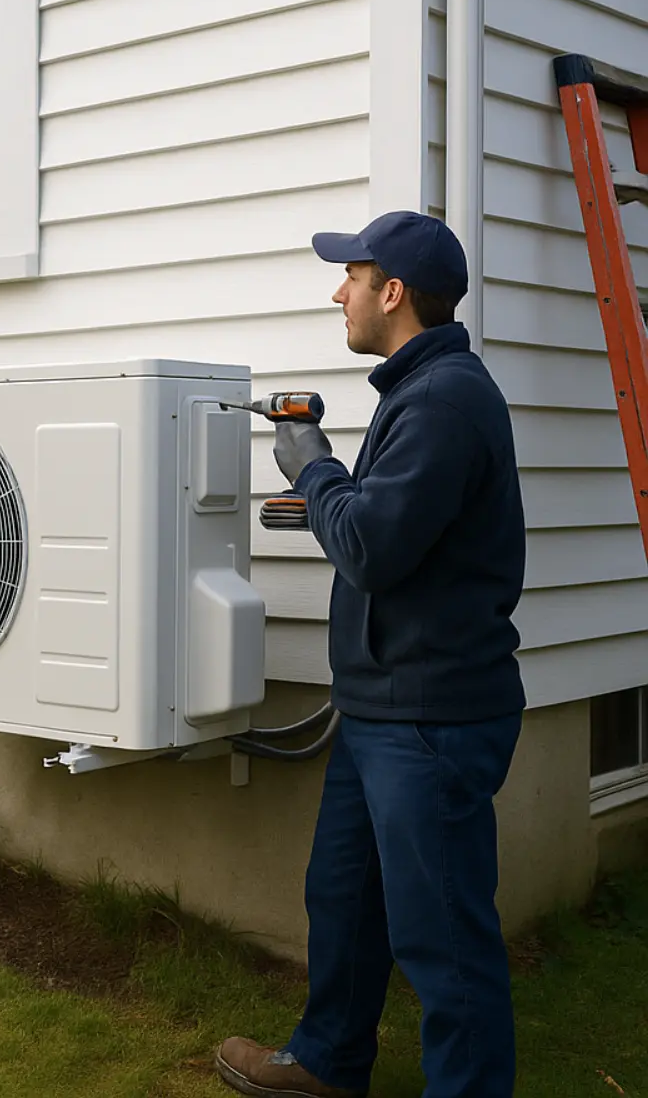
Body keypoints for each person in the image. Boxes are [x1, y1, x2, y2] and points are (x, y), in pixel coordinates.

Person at [214, 211, 526, 1098]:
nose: (337, 292)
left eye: (350, 277)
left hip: (431, 717)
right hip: (382, 704)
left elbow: (376, 550)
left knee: (443, 938)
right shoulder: (417, 393)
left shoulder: (446, 399)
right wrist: (327, 497)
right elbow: (390, 528)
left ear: (393, 293)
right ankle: (327, 1060)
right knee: (345, 899)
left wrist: (314, 470)